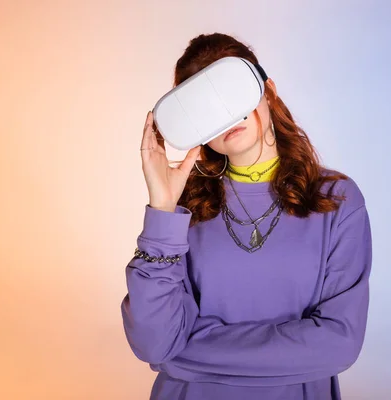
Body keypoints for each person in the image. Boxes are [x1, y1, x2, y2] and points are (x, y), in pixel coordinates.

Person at [120, 32, 373, 400]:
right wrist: (161, 210)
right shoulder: (181, 206)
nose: (224, 117)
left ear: (267, 90)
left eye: (232, 94)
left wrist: (186, 351)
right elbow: (154, 343)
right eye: (204, 108)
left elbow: (339, 343)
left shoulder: (337, 200)